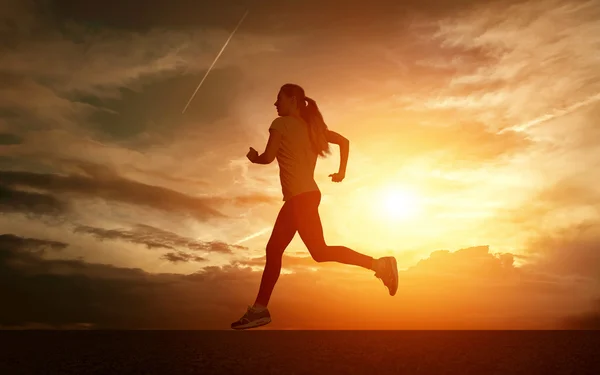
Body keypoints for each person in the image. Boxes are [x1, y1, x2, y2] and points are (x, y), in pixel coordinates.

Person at [231, 83, 398, 330]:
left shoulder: (280, 124)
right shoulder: (312, 129)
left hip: (299, 199)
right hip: (308, 196)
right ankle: (379, 265)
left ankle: (260, 309)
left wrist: (254, 157)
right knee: (317, 252)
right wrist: (341, 172)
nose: (275, 104)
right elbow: (344, 141)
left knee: (276, 249)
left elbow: (268, 157)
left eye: (280, 98)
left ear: (294, 100)